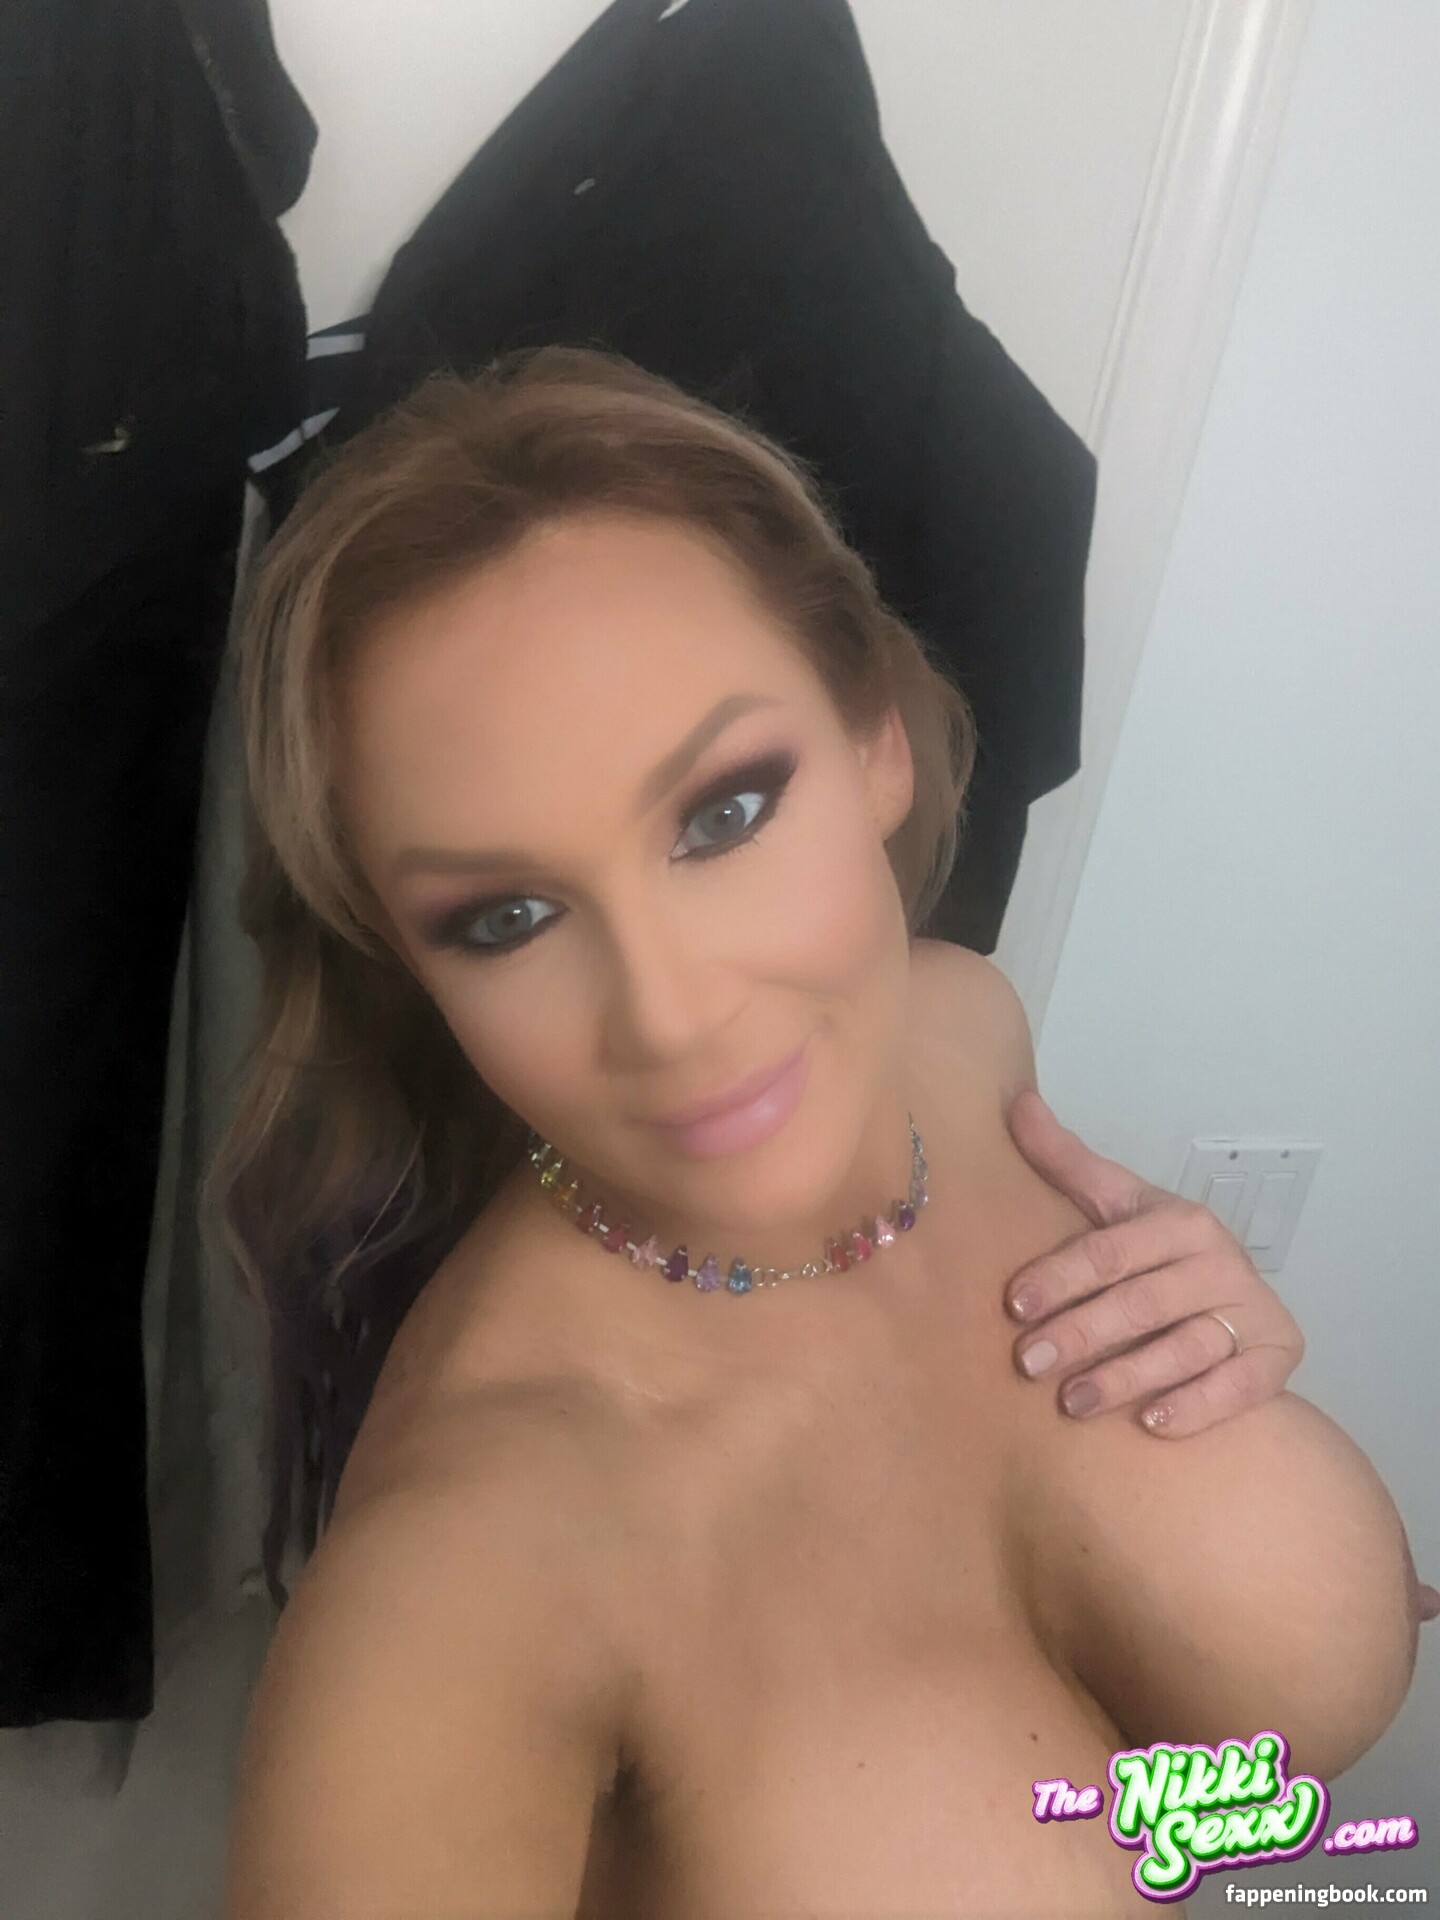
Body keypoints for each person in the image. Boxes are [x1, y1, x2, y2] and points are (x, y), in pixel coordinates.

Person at [218, 347, 1428, 1920]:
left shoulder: (956, 1030)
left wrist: (1222, 1380)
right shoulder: (452, 1599)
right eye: (506, 917)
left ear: (874, 743)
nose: (671, 1015)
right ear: (411, 965)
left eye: (721, 813)